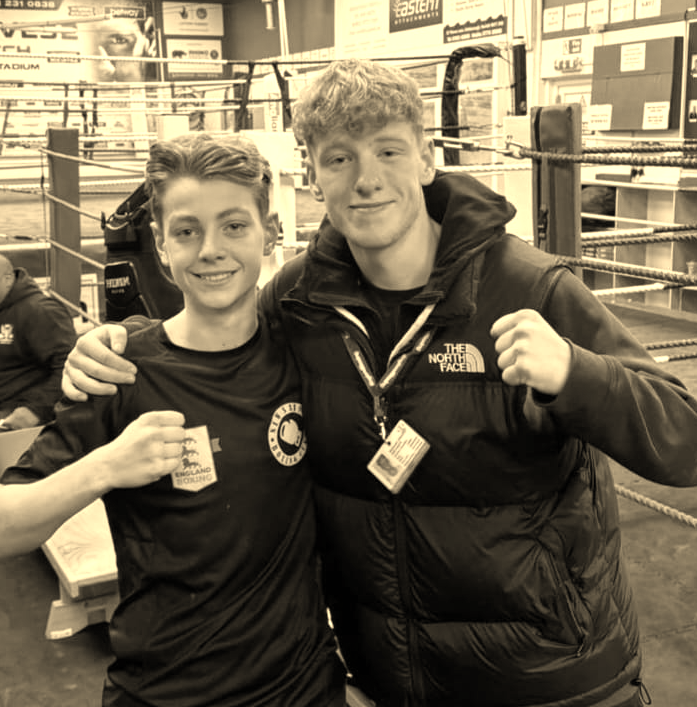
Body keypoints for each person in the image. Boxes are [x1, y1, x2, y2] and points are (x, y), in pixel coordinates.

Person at [61, 60, 697, 707]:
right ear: (313, 176)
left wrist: (575, 373)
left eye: (387, 150)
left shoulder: (527, 287)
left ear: (425, 158)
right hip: (390, 680)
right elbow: (215, 332)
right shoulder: (300, 298)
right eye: (339, 158)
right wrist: (116, 344)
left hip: (548, 680)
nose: (365, 179)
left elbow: (684, 441)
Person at [0, 133, 345, 707]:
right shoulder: (121, 369)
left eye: (234, 226)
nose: (211, 250)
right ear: (160, 245)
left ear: (270, 234)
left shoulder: (308, 351)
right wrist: (105, 467)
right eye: (187, 231)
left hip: (302, 689)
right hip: (165, 692)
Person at [0, 254, 76, 431]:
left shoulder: (41, 310)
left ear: (7, 279)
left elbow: (70, 364)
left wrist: (34, 410)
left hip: (20, 418)